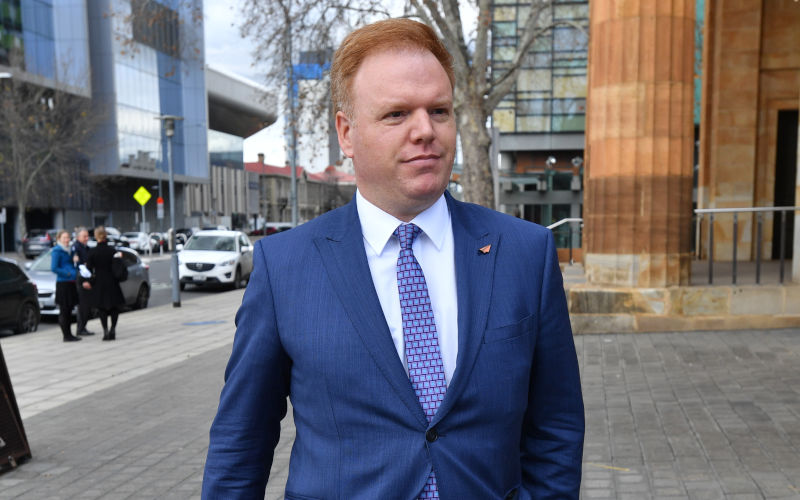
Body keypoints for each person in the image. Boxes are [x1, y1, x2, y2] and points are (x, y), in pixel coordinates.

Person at [202, 18, 584, 499]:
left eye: (439, 111)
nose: (425, 130)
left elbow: (557, 426)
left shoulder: (524, 253)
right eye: (397, 114)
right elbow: (242, 443)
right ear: (347, 132)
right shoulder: (285, 267)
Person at [86, 226, 125, 341]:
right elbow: (118, 265)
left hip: (99, 283)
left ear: (96, 237)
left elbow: (88, 268)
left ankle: (105, 331)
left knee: (102, 308)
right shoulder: (112, 250)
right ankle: (113, 329)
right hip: (112, 282)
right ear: (106, 236)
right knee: (114, 308)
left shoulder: (92, 252)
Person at [51, 229, 82, 342]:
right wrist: (68, 273)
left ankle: (70, 334)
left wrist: (75, 261)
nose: (67, 240)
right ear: (59, 239)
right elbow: (54, 268)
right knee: (64, 310)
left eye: (68, 237)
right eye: (64, 238)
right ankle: (66, 335)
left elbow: (72, 263)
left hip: (71, 282)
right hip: (63, 283)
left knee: (69, 310)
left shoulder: (70, 250)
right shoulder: (57, 251)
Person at [71, 226, 95, 336]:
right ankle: (80, 328)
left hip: (87, 279)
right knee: (83, 306)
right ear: (78, 237)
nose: (87, 238)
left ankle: (83, 327)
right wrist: (83, 281)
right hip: (81, 280)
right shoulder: (76, 248)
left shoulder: (86, 248)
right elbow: (78, 266)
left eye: (87, 236)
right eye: (84, 236)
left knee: (87, 306)